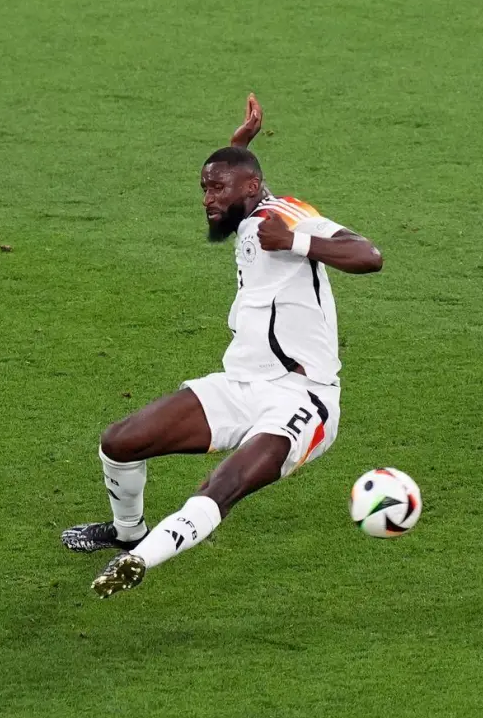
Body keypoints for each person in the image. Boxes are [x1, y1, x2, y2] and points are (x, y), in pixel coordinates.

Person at [62, 96, 385, 598]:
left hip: (304, 399)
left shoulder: (286, 219)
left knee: (222, 487)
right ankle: (128, 532)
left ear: (250, 187)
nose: (207, 199)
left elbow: (369, 256)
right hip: (240, 384)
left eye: (217, 187)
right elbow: (254, 199)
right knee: (119, 443)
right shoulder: (253, 213)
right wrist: (238, 147)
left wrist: (298, 244)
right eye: (204, 189)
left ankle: (138, 561)